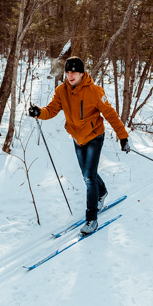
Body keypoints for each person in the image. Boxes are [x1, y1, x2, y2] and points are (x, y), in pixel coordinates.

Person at [28, 57, 130, 235]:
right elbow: (51, 110)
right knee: (87, 174)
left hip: (94, 137)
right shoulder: (62, 91)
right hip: (77, 138)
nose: (70, 75)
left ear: (82, 73)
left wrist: (123, 137)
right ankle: (103, 192)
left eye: (73, 72)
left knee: (89, 178)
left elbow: (111, 115)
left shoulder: (95, 92)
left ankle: (92, 220)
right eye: (67, 72)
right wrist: (39, 112)